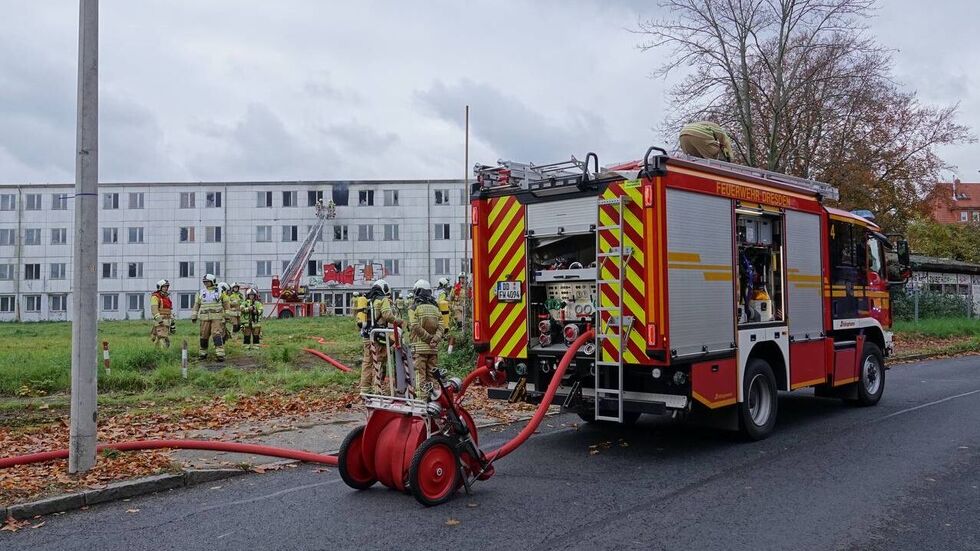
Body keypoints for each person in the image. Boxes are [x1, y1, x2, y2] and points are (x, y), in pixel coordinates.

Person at [359, 279, 400, 394]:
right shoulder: (382, 299)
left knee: (367, 361)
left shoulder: (367, 299)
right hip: (378, 336)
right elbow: (387, 315)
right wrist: (399, 321)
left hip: (367, 336)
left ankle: (365, 389)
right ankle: (377, 389)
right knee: (379, 361)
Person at [408, 279, 445, 399]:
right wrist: (435, 339)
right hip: (433, 349)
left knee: (420, 375)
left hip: (419, 349)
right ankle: (434, 399)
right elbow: (441, 326)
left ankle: (421, 400)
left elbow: (414, 326)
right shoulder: (436, 308)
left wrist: (428, 339)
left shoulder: (413, 308)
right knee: (432, 375)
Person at [191, 274, 229, 362]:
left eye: (208, 282)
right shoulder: (200, 292)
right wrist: (194, 315)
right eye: (205, 282)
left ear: (213, 282)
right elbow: (196, 305)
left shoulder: (220, 291)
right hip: (204, 318)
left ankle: (220, 354)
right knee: (204, 335)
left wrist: (227, 315)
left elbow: (226, 304)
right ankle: (203, 354)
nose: (206, 283)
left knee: (216, 334)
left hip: (216, 317)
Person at [149, 279, 175, 348]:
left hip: (167, 321)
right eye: (164, 286)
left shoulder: (167, 298)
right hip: (160, 321)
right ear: (160, 287)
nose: (166, 288)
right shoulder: (155, 297)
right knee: (162, 338)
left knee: (160, 338)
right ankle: (163, 353)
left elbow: (169, 311)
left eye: (167, 286)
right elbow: (154, 310)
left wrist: (172, 323)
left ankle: (156, 352)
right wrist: (160, 320)